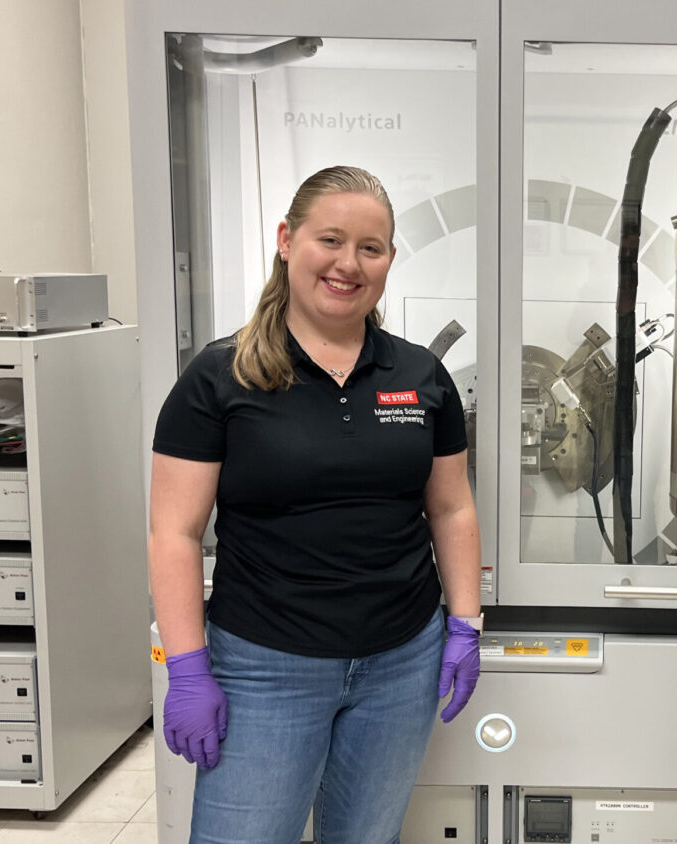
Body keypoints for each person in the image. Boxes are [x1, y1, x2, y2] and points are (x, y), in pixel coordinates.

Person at [148, 165, 484, 844]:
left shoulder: (420, 374)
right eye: (330, 240)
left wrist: (466, 623)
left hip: (401, 661)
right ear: (286, 240)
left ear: (389, 259)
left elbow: (451, 509)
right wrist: (187, 668)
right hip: (265, 663)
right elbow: (174, 532)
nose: (348, 264)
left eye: (370, 248)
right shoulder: (221, 375)